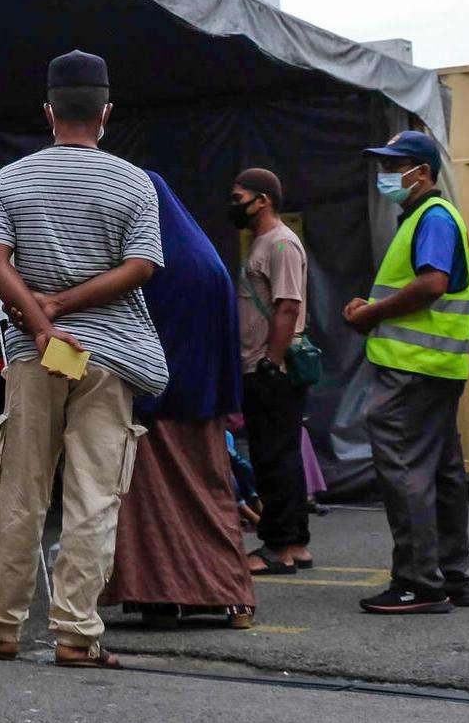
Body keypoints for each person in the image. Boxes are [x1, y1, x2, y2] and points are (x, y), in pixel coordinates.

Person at [0, 50, 166, 671]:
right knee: (93, 494)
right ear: (106, 113)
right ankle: (77, 635)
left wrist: (42, 320)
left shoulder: (11, 179)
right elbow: (141, 267)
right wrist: (65, 305)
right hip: (108, 355)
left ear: (49, 112)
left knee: (21, 489)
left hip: (37, 355)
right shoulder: (134, 182)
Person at [103, 171, 255, 628]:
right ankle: (231, 597)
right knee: (209, 497)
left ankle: (160, 599)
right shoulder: (206, 260)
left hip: (155, 400)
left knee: (150, 505)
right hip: (203, 403)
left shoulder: (153, 263)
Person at [346, 130, 469, 615]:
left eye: (393, 165)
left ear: (421, 172)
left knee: (404, 469)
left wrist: (371, 314)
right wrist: (371, 306)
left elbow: (432, 283)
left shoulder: (432, 217)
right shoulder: (427, 217)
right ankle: (451, 577)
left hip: (411, 370)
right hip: (437, 367)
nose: (384, 174)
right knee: (442, 472)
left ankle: (419, 583)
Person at [230, 167, 313, 575]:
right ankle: (295, 542)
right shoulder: (264, 243)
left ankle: (278, 548)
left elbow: (288, 306)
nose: (233, 205)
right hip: (263, 365)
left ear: (262, 200)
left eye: (238, 197)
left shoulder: (280, 244)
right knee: (282, 455)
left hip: (269, 369)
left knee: (272, 458)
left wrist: (270, 361)